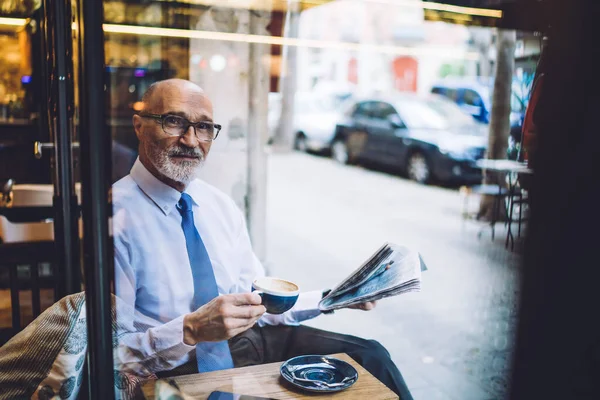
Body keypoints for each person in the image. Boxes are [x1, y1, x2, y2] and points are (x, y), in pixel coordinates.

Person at [112, 79, 412, 399]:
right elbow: (114, 353)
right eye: (174, 121)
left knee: (371, 357)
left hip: (247, 342)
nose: (190, 139)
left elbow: (260, 303)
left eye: (203, 127)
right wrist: (191, 329)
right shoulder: (116, 218)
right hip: (176, 366)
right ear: (139, 126)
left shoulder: (219, 206)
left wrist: (332, 298)